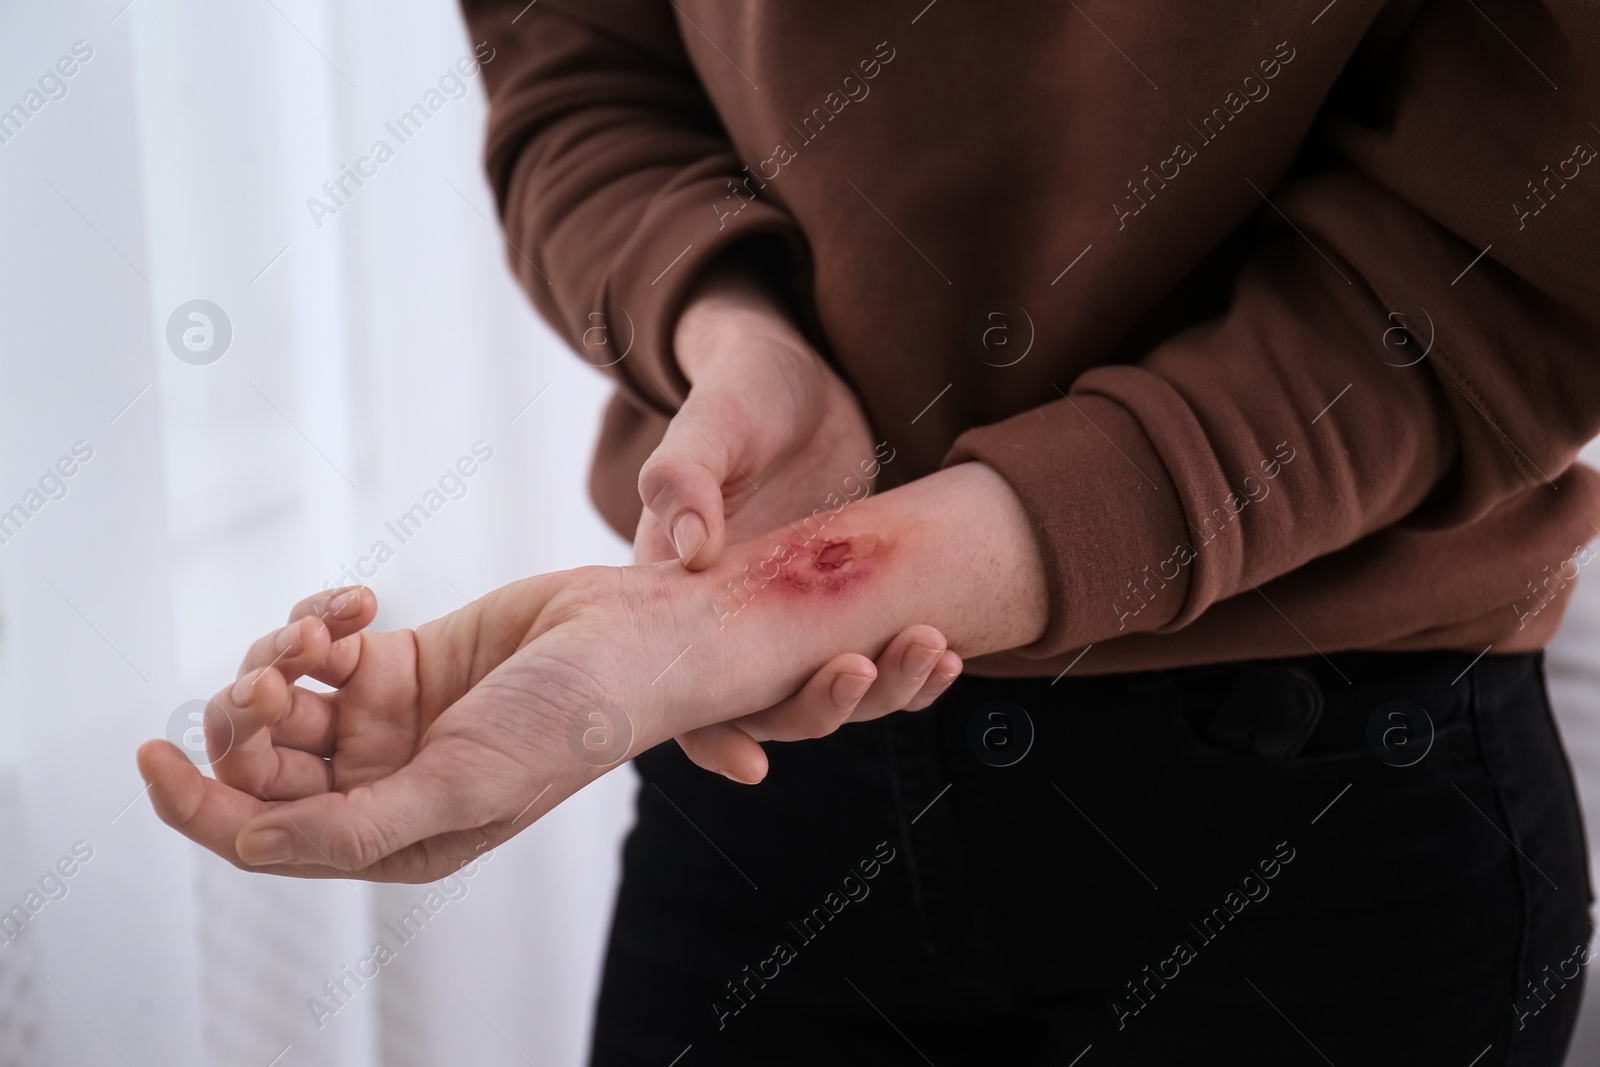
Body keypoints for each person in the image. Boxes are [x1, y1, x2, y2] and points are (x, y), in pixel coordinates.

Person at [140, 1, 1600, 1063]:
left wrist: (804, 601)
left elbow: (1509, 260)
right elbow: (572, 62)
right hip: (765, 770)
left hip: (1319, 801)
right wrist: (733, 331)